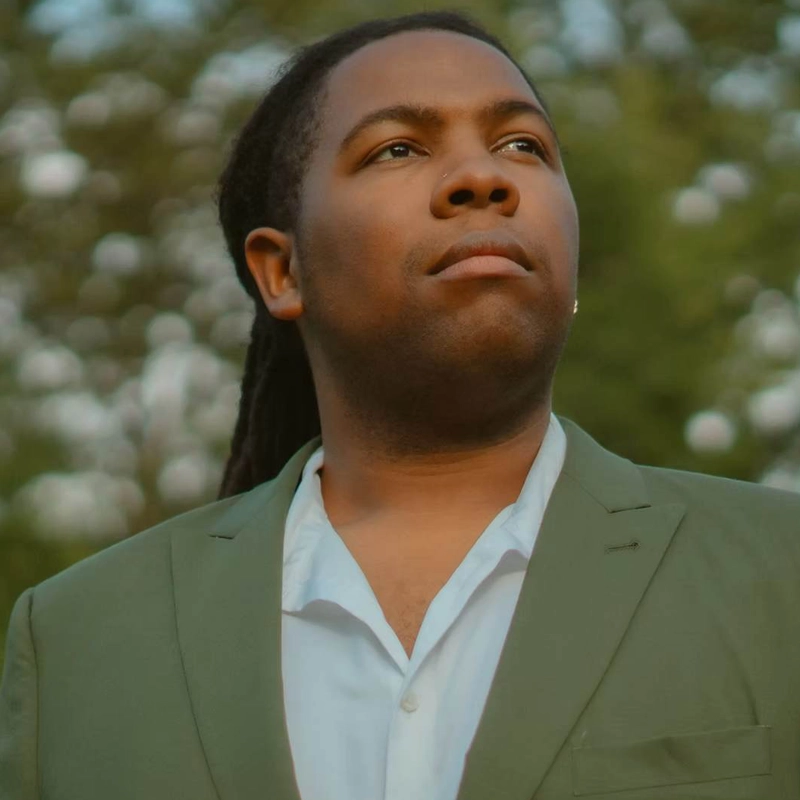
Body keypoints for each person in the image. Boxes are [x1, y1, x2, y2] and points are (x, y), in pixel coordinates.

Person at [1, 10, 798, 800]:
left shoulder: (778, 575)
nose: (483, 178)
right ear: (282, 272)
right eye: (398, 149)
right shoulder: (77, 638)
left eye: (523, 145)